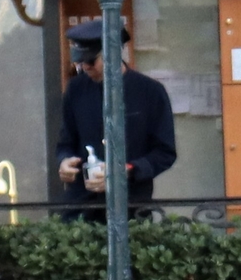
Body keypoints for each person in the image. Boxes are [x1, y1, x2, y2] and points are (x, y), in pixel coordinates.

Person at [54, 18, 177, 219]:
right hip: (80, 209)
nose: (85, 67)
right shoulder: (76, 90)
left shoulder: (150, 92)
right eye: (80, 61)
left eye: (91, 60)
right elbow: (65, 143)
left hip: (130, 208)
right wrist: (65, 162)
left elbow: (165, 153)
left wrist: (126, 170)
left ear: (112, 54)